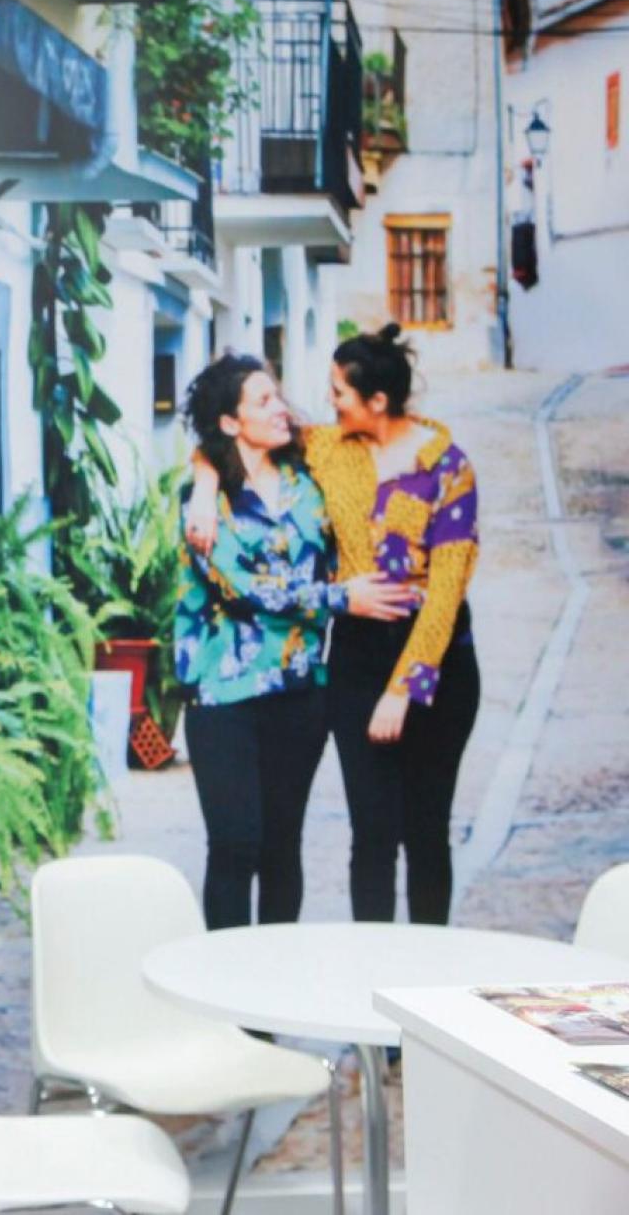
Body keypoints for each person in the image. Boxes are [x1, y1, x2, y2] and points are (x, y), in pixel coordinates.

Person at [189, 324, 482, 926]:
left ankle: (428, 975)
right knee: (372, 834)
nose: (327, 402)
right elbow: (226, 436)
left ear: (377, 401)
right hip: (357, 656)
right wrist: (203, 483)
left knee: (427, 832)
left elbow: (447, 592)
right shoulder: (328, 448)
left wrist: (403, 690)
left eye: (339, 392)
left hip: (437, 662)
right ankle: (369, 973)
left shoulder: (448, 468)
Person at [173, 354, 412, 931]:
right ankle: (228, 984)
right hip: (223, 696)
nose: (280, 407)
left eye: (277, 395)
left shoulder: (309, 481)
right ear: (230, 422)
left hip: (299, 694)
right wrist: (343, 598)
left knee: (283, 849)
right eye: (263, 401)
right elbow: (241, 587)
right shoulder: (205, 502)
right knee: (235, 844)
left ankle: (273, 983)